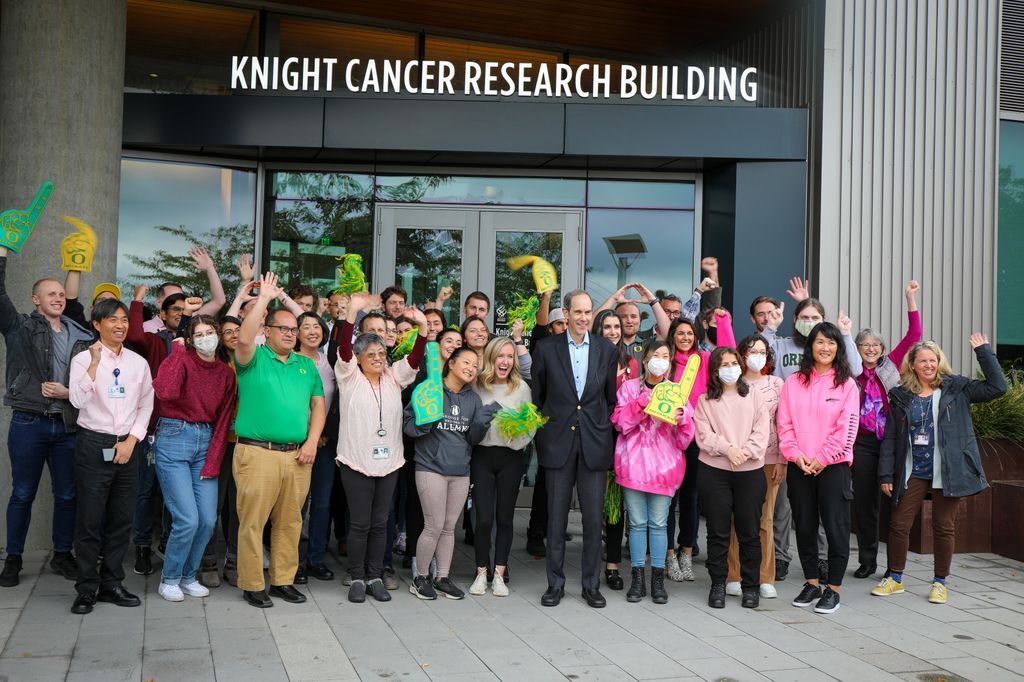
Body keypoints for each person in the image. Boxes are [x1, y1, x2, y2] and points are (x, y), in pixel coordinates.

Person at [873, 334, 1006, 604]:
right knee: (898, 525)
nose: (928, 365)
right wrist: (886, 474)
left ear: (939, 362)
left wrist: (983, 351)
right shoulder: (900, 395)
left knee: (943, 526)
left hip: (947, 469)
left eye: (932, 360)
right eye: (922, 360)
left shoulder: (957, 388)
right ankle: (895, 578)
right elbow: (890, 438)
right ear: (912, 364)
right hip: (912, 470)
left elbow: (997, 387)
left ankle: (940, 582)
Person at [0, 247, 93, 587]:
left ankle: (62, 555)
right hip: (29, 422)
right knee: (23, 493)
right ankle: (13, 558)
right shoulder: (20, 327)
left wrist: (70, 393)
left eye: (61, 294)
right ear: (35, 300)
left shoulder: (82, 333)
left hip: (68, 425)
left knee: (68, 494)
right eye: (50, 294)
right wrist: (1, 254)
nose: (58, 298)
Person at [232, 272, 326, 609]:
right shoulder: (252, 359)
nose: (290, 333)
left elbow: (318, 405)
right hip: (257, 454)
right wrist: (264, 300)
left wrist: (312, 442)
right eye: (283, 328)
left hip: (298, 456)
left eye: (293, 329)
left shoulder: (306, 365)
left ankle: (283, 580)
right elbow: (243, 339)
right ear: (266, 331)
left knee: (291, 522)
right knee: (253, 521)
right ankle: (253, 583)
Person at [335, 294, 427, 602]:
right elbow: (345, 347)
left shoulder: (392, 378)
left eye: (381, 352)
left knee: (380, 523)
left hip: (389, 464)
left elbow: (414, 359)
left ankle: (375, 575)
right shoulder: (349, 377)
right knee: (360, 523)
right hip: (356, 462)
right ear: (359, 358)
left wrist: (423, 328)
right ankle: (357, 578)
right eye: (370, 353)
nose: (377, 357)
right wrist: (353, 312)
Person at [532, 290, 618, 608]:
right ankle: (555, 584)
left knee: (593, 520)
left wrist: (601, 429)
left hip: (594, 443)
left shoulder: (606, 349)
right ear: (565, 313)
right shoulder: (546, 348)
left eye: (588, 312)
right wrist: (545, 432)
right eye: (577, 312)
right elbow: (538, 397)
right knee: (556, 519)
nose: (583, 318)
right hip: (557, 442)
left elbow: (610, 399)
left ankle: (590, 585)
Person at [67, 299, 154, 614]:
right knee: (89, 519)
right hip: (93, 443)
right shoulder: (81, 359)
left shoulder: (137, 362)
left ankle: (112, 584)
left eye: (124, 320)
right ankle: (87, 588)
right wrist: (93, 364)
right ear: (97, 324)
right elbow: (76, 398)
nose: (120, 326)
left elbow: (146, 404)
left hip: (127, 445)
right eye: (113, 320)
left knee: (121, 519)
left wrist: (133, 439)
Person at [151, 317, 236, 602]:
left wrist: (214, 458)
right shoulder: (181, 359)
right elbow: (165, 391)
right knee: (187, 519)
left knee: (207, 520)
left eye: (210, 332)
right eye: (198, 334)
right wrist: (176, 354)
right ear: (189, 339)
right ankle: (170, 578)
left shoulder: (225, 373)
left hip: (207, 441)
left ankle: (188, 576)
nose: (205, 338)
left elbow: (224, 419)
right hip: (175, 436)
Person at [777, 322, 859, 615]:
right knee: (806, 526)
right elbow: (784, 425)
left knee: (836, 528)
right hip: (799, 465)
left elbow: (847, 430)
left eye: (832, 343)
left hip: (833, 466)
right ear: (810, 345)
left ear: (838, 348)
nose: (825, 348)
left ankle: (832, 588)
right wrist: (795, 455)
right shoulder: (793, 383)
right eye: (820, 342)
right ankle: (811, 582)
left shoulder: (847, 384)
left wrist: (823, 458)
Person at [404, 347, 498, 600]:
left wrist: (481, 423)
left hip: (460, 471)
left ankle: (442, 577)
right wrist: (426, 423)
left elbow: (473, 438)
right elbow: (408, 426)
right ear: (451, 363)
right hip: (430, 468)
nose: (471, 367)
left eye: (474, 364)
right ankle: (420, 577)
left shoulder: (473, 399)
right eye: (466, 362)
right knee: (433, 526)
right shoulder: (429, 390)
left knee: (448, 527)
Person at [611, 339, 694, 604]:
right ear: (645, 359)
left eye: (665, 356)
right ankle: (637, 579)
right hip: (633, 467)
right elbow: (620, 423)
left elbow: (685, 440)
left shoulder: (678, 392)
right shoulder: (628, 388)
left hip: (664, 470)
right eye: (655, 355)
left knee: (658, 525)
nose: (660, 360)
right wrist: (643, 401)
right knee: (636, 525)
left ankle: (658, 580)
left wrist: (683, 420)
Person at [126, 286, 201, 577]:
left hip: (182, 426)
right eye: (176, 310)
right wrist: (136, 300)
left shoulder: (193, 345)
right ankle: (142, 546)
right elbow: (133, 336)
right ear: (163, 314)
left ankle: (169, 544)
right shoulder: (155, 342)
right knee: (146, 489)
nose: (181, 315)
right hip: (152, 425)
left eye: (185, 310)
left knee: (176, 493)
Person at [851, 281, 922, 579]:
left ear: (882, 348)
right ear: (856, 349)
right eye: (864, 344)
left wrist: (910, 299)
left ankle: (895, 565)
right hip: (864, 443)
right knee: (866, 504)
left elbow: (915, 335)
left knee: (895, 503)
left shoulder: (892, 364)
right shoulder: (849, 370)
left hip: (892, 443)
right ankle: (868, 561)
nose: (871, 348)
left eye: (875, 344)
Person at [694, 346, 770, 609]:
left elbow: (762, 432)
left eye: (733, 363)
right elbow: (704, 435)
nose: (730, 369)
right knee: (717, 531)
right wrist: (729, 450)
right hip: (714, 472)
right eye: (723, 365)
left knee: (749, 531)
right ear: (715, 370)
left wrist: (744, 453)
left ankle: (751, 586)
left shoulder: (755, 397)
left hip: (749, 472)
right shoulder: (705, 401)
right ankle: (718, 583)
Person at [664, 309, 735, 581]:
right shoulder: (665, 361)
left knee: (691, 498)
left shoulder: (704, 360)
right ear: (672, 336)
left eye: (689, 333)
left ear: (697, 336)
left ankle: (686, 552)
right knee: (668, 499)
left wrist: (724, 322)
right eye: (679, 332)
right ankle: (669, 556)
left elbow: (728, 350)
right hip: (667, 439)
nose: (684, 337)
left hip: (696, 439)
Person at [469, 337, 537, 597]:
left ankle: (499, 574)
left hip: (510, 458)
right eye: (501, 356)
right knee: (483, 519)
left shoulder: (520, 388)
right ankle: (481, 572)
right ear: (491, 358)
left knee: (505, 518)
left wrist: (514, 439)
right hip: (482, 457)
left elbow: (530, 426)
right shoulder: (477, 386)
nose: (505, 361)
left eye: (510, 356)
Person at [724, 334, 785, 600]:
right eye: (751, 351)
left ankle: (764, 576)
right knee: (737, 518)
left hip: (769, 459)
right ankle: (734, 574)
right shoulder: (732, 383)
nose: (756, 355)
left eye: (761, 351)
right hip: (738, 460)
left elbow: (784, 423)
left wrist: (782, 459)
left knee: (765, 519)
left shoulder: (776, 384)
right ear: (741, 355)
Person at [400, 328, 463, 575]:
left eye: (459, 342)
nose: (453, 345)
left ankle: (439, 563)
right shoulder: (425, 373)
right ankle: (416, 558)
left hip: (452, 459)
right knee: (419, 508)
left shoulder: (466, 378)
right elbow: (409, 410)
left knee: (444, 519)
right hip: (423, 454)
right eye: (449, 340)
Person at [591, 309, 638, 591]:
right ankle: (590, 560)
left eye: (616, 327)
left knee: (614, 506)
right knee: (593, 505)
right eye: (606, 326)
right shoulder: (590, 359)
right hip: (594, 435)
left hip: (620, 439)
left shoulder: (630, 362)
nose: (612, 332)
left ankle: (612, 565)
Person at [294, 312, 338, 583]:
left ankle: (315, 559)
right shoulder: (291, 360)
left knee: (322, 504)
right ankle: (292, 562)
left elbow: (337, 403)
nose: (312, 331)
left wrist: (322, 434)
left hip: (325, 444)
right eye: (305, 327)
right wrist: (309, 434)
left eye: (316, 326)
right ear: (296, 333)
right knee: (295, 506)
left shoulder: (329, 362)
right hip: (297, 441)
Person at [199, 314, 243, 587]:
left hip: (247, 443)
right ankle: (208, 562)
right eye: (227, 332)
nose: (234, 335)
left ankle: (235, 561)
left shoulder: (255, 361)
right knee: (213, 507)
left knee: (240, 507)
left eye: (238, 330)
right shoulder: (214, 365)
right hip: (218, 442)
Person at [141, 246, 226, 333]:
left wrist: (210, 268)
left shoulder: (191, 320)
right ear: (159, 303)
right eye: (173, 298)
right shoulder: (146, 328)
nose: (179, 301)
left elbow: (218, 301)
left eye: (181, 298)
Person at [595, 282, 669, 362]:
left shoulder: (648, 344)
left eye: (633, 316)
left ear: (640, 320)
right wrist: (613, 299)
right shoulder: (606, 344)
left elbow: (669, 334)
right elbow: (591, 325)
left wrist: (653, 301)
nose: (629, 321)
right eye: (623, 316)